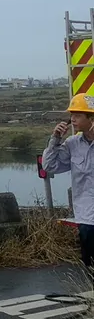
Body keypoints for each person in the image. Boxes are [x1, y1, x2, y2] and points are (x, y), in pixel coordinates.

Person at [41, 92, 94, 273]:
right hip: (87, 215)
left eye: (78, 115)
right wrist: (55, 139)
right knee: (90, 264)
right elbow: (50, 165)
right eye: (72, 115)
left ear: (91, 118)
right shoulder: (72, 143)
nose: (72, 119)